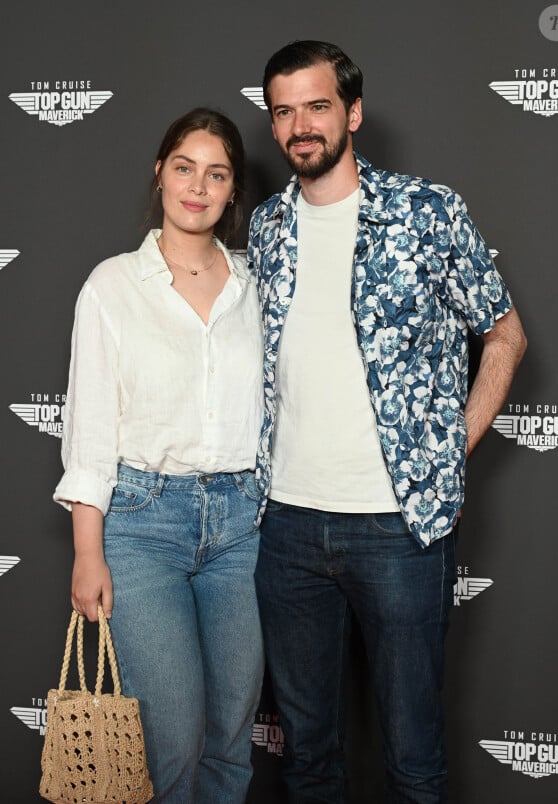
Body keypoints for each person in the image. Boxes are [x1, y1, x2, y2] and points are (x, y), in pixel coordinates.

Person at [248, 41, 527, 803]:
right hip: (288, 529)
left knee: (412, 758)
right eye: (283, 111)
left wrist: (450, 452)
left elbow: (505, 334)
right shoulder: (267, 228)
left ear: (353, 112)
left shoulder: (426, 210)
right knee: (307, 758)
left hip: (399, 526)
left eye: (317, 105)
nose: (300, 125)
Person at [54, 108, 265, 804]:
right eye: (184, 168)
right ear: (160, 173)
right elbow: (89, 429)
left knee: (232, 739)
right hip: (144, 527)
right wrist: (89, 553)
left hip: (243, 528)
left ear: (234, 190)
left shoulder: (258, 286)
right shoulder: (113, 286)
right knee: (173, 741)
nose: (197, 187)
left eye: (217, 174)